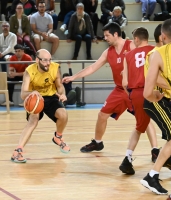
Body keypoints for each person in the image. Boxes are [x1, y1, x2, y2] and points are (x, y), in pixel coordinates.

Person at [62, 22, 157, 158]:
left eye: (107, 35)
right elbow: (92, 68)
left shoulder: (130, 45)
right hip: (119, 90)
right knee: (102, 115)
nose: (105, 38)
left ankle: (155, 150)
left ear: (116, 34)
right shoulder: (108, 52)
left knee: (144, 120)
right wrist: (73, 77)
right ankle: (97, 142)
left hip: (134, 90)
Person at [11, 49, 70, 163]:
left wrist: (62, 94)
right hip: (35, 98)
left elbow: (59, 85)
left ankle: (58, 137)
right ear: (37, 60)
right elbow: (23, 94)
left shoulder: (55, 67)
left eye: (49, 60)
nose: (48, 63)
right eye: (45, 60)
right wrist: (32, 92)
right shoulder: (29, 71)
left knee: (63, 115)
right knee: (33, 120)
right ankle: (17, 151)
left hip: (51, 96)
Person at [140, 21, 171, 196]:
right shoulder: (155, 54)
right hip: (158, 100)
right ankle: (154, 175)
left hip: (164, 99)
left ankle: (153, 174)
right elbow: (155, 80)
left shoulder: (163, 53)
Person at [120, 27, 157, 175]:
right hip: (154, 92)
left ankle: (127, 158)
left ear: (136, 39)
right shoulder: (155, 50)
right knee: (169, 127)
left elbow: (124, 83)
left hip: (136, 93)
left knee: (140, 126)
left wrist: (130, 95)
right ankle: (163, 155)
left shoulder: (127, 55)